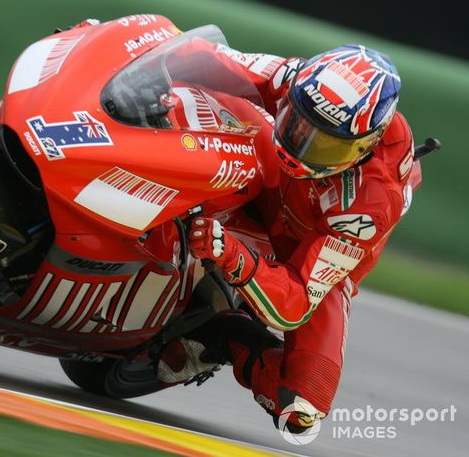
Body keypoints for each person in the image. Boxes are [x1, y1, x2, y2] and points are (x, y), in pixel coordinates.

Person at [155, 42, 418, 432]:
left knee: (303, 406)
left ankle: (225, 331)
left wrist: (232, 255)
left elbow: (294, 305)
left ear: (364, 146)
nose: (301, 145)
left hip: (308, 254)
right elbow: (214, 57)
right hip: (263, 183)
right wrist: (139, 58)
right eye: (298, 121)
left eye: (325, 143)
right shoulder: (300, 79)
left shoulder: (370, 202)